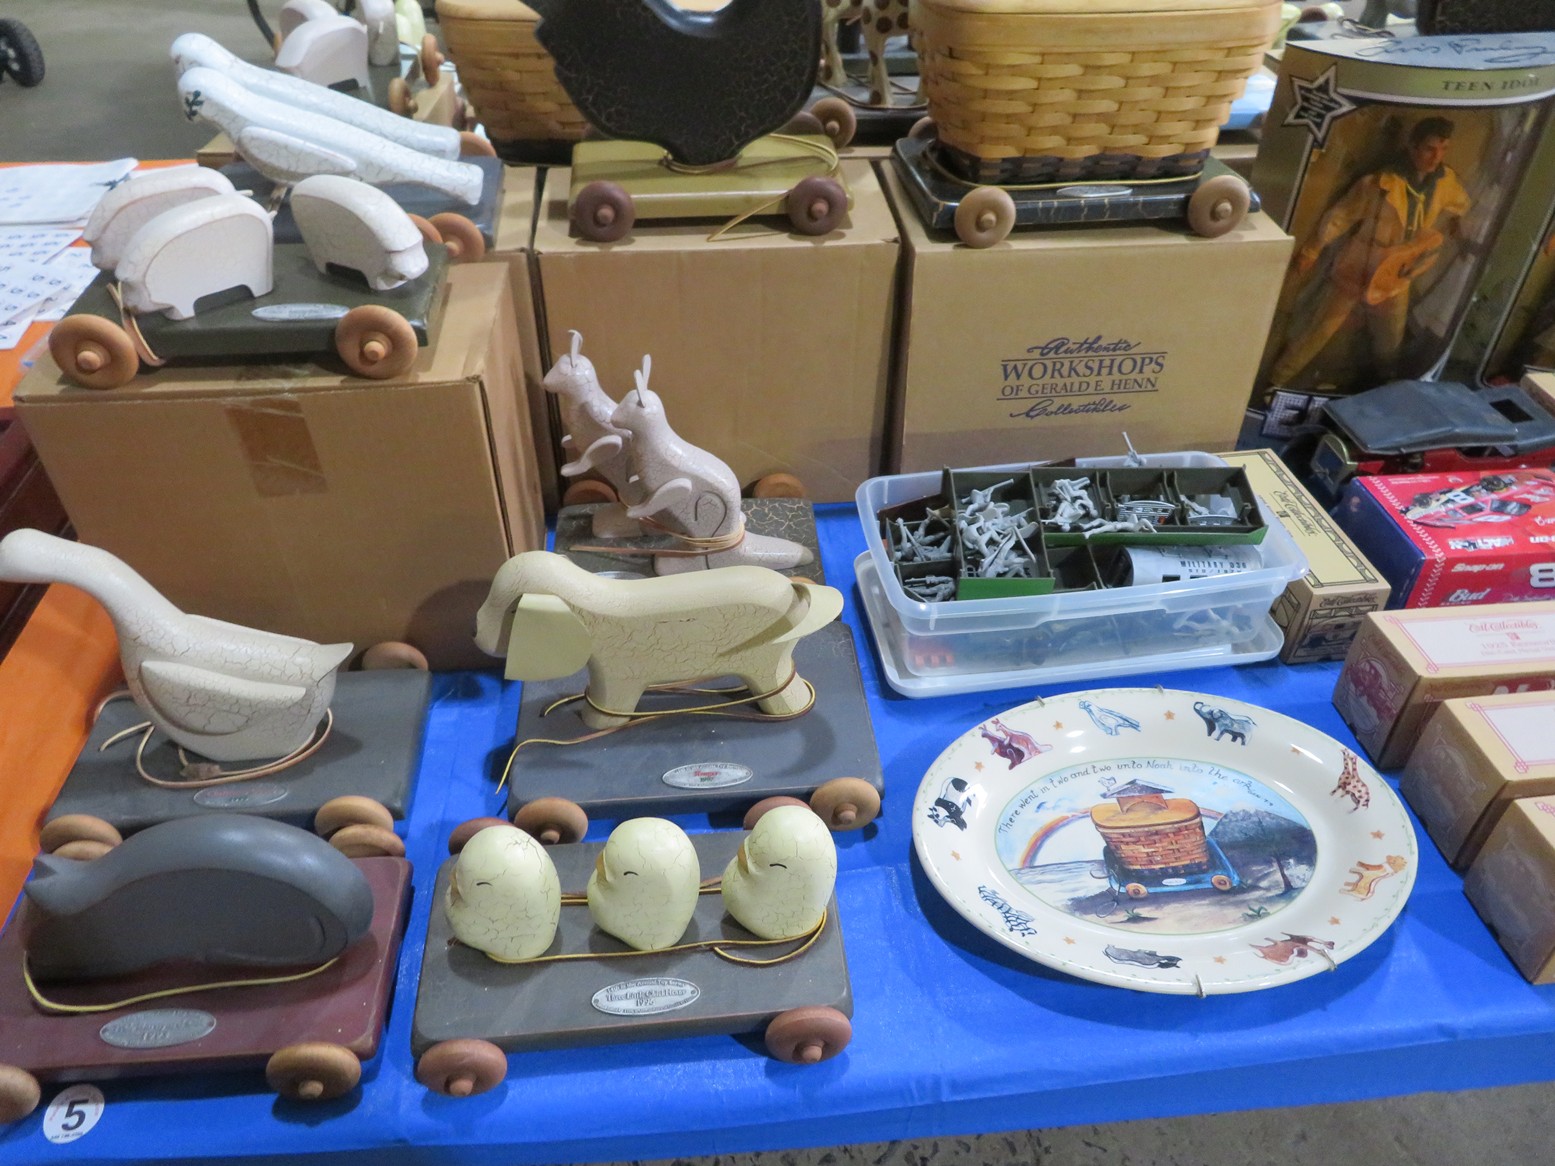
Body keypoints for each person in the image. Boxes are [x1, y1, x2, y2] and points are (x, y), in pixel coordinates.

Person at [1267, 116, 1471, 390]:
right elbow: (1340, 217)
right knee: (1320, 329)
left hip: (1397, 271)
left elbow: (1461, 204)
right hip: (1360, 264)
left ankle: (1385, 384)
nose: (1437, 157)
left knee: (1390, 338)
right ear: (1413, 147)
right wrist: (1311, 250)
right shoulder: (1381, 183)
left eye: (1443, 149)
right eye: (1429, 149)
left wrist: (1459, 226)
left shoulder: (1444, 182)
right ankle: (1277, 381)